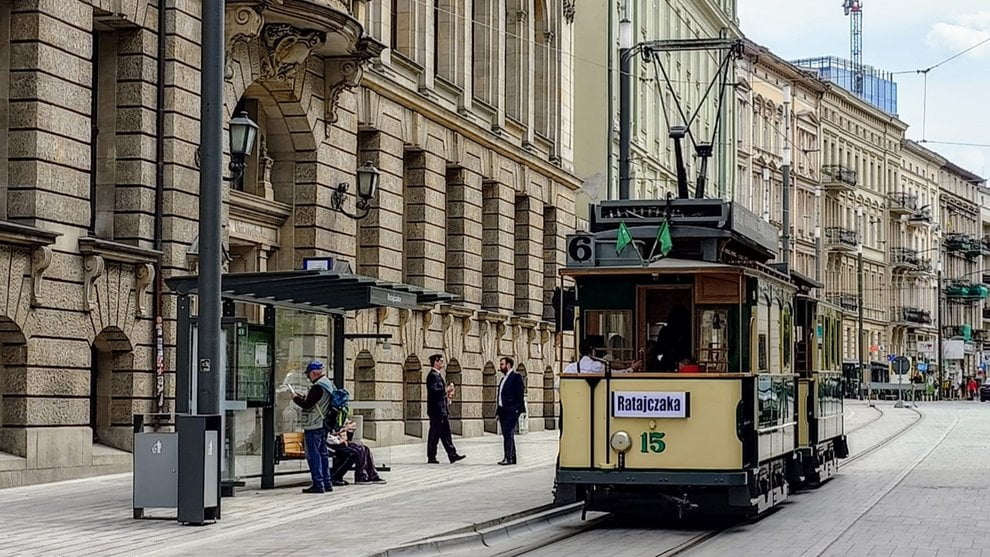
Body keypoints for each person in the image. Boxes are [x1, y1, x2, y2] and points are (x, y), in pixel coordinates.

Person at [292, 360, 334, 494]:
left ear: (314, 373)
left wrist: (295, 398)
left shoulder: (318, 387)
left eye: (309, 373)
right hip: (323, 424)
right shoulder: (328, 384)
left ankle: (318, 483)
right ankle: (327, 482)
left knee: (314, 454)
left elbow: (308, 404)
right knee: (323, 453)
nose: (308, 377)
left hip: (314, 424)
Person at [426, 354, 466, 464]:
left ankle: (452, 454)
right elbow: (434, 390)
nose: (442, 363)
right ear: (436, 362)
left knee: (446, 434)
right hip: (436, 411)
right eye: (441, 361)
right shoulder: (432, 375)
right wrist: (446, 389)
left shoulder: (438, 375)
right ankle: (431, 456)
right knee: (434, 434)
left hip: (441, 410)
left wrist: (447, 396)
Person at [328, 419, 387, 485]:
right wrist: (341, 434)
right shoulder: (327, 419)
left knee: (365, 448)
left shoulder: (339, 416)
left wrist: (348, 426)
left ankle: (372, 475)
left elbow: (351, 424)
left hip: (341, 441)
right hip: (334, 444)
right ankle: (360, 476)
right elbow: (328, 437)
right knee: (355, 452)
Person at [496, 356, 525, 465]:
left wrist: (518, 409)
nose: (500, 367)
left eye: (502, 364)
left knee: (508, 434)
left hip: (511, 410)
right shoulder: (504, 378)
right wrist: (498, 412)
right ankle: (512, 457)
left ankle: (507, 457)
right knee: (507, 434)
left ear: (508, 365)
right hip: (503, 411)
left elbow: (520, 393)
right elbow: (500, 396)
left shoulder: (516, 377)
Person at [563, 337, 642, 374]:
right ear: (593, 350)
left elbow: (557, 385)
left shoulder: (570, 368)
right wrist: (632, 368)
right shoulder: (597, 366)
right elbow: (617, 375)